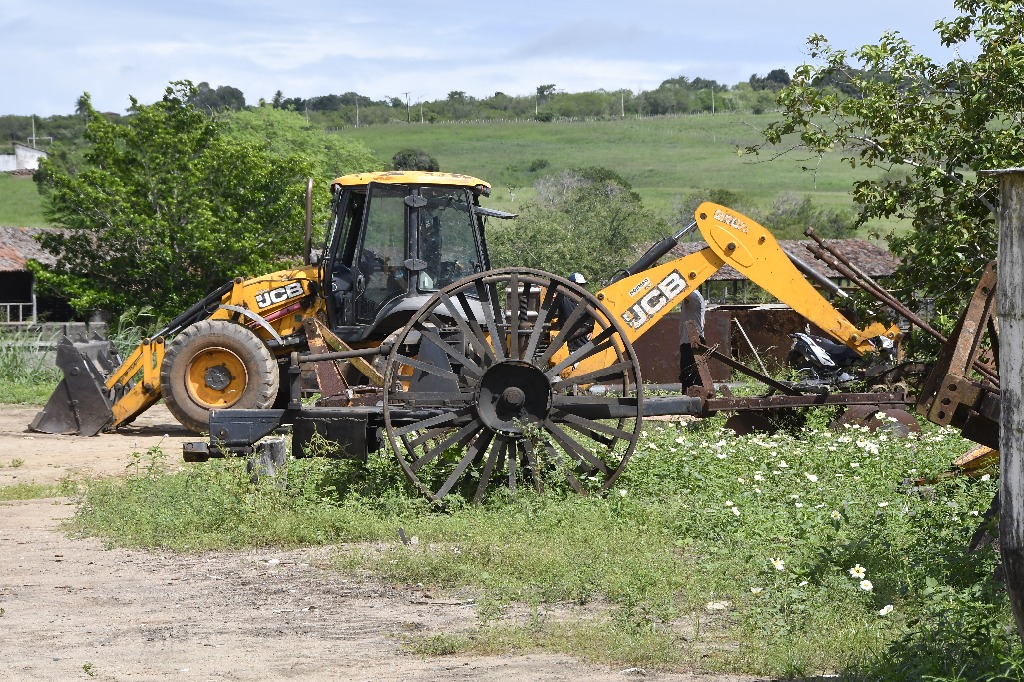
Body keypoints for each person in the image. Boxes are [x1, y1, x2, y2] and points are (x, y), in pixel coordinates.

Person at [678, 288, 706, 390]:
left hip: (692, 341)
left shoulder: (693, 296)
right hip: (691, 340)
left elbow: (678, 292)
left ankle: (693, 401)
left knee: (690, 377)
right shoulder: (697, 296)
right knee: (692, 376)